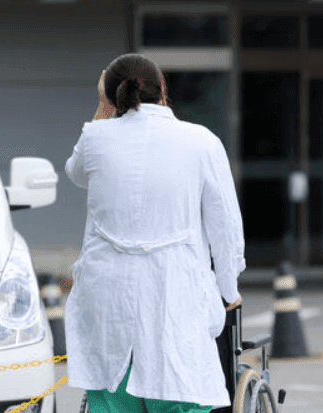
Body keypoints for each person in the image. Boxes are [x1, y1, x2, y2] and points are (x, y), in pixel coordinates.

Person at [64, 53, 246, 413]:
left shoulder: (96, 138)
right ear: (163, 89)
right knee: (179, 393)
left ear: (113, 96)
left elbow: (75, 173)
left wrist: (102, 108)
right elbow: (225, 224)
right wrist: (229, 289)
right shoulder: (201, 142)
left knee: (113, 399)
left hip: (107, 299)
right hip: (173, 296)